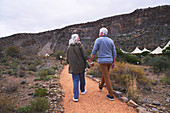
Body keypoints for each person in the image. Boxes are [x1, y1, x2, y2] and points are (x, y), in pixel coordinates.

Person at [90, 27, 116, 101]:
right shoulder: (111, 41)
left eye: (99, 32)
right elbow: (114, 52)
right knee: (105, 74)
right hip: (110, 61)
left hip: (102, 61)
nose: (99, 34)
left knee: (106, 76)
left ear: (101, 33)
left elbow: (94, 51)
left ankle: (111, 95)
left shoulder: (98, 40)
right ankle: (101, 86)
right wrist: (113, 62)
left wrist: (91, 60)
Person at [67, 34, 89, 102]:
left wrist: (70, 63)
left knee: (75, 81)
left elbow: (67, 59)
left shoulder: (69, 47)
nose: (79, 39)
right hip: (81, 66)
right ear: (76, 39)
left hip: (73, 67)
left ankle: (76, 97)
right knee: (82, 78)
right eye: (78, 38)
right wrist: (88, 61)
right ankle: (82, 90)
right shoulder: (80, 46)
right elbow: (85, 55)